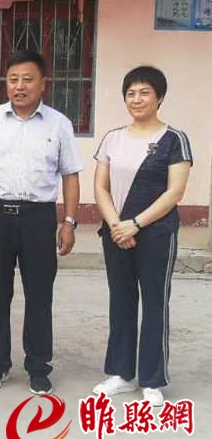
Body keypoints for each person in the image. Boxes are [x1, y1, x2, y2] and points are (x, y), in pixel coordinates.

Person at [0, 49, 82, 396]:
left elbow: (70, 176)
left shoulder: (59, 124)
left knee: (39, 295)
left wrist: (69, 222)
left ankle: (38, 367)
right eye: (13, 79)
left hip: (38, 218)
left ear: (43, 83)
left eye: (28, 79)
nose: (19, 86)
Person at [92, 66, 191, 409]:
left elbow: (175, 192)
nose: (136, 99)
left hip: (156, 234)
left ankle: (152, 379)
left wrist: (135, 224)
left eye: (144, 92)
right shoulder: (112, 138)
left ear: (159, 97)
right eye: (130, 93)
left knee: (154, 304)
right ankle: (121, 374)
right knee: (120, 302)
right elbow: (100, 187)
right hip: (116, 232)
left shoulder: (174, 139)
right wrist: (116, 225)